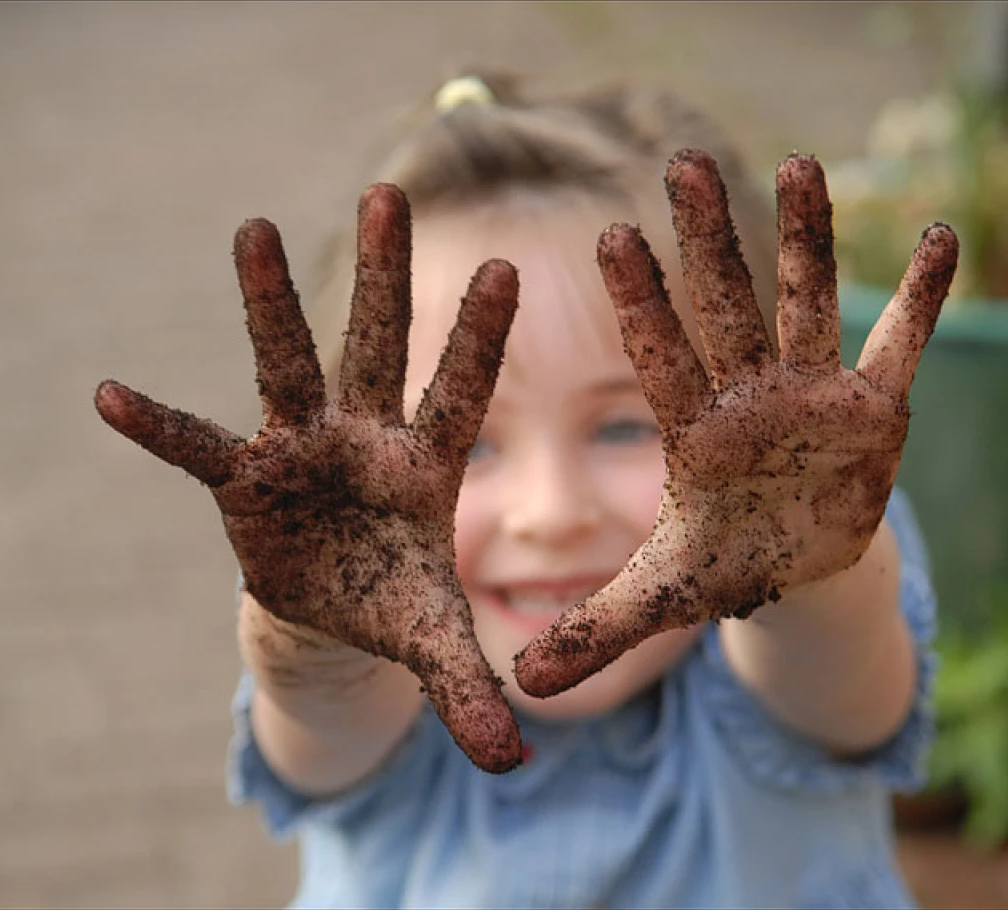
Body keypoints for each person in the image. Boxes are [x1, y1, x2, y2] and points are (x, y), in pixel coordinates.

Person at [94, 70, 958, 909]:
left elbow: (838, 678)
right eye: (465, 446)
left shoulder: (783, 632)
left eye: (625, 427)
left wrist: (800, 573)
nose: (549, 513)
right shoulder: (373, 675)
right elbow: (324, 722)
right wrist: (323, 626)